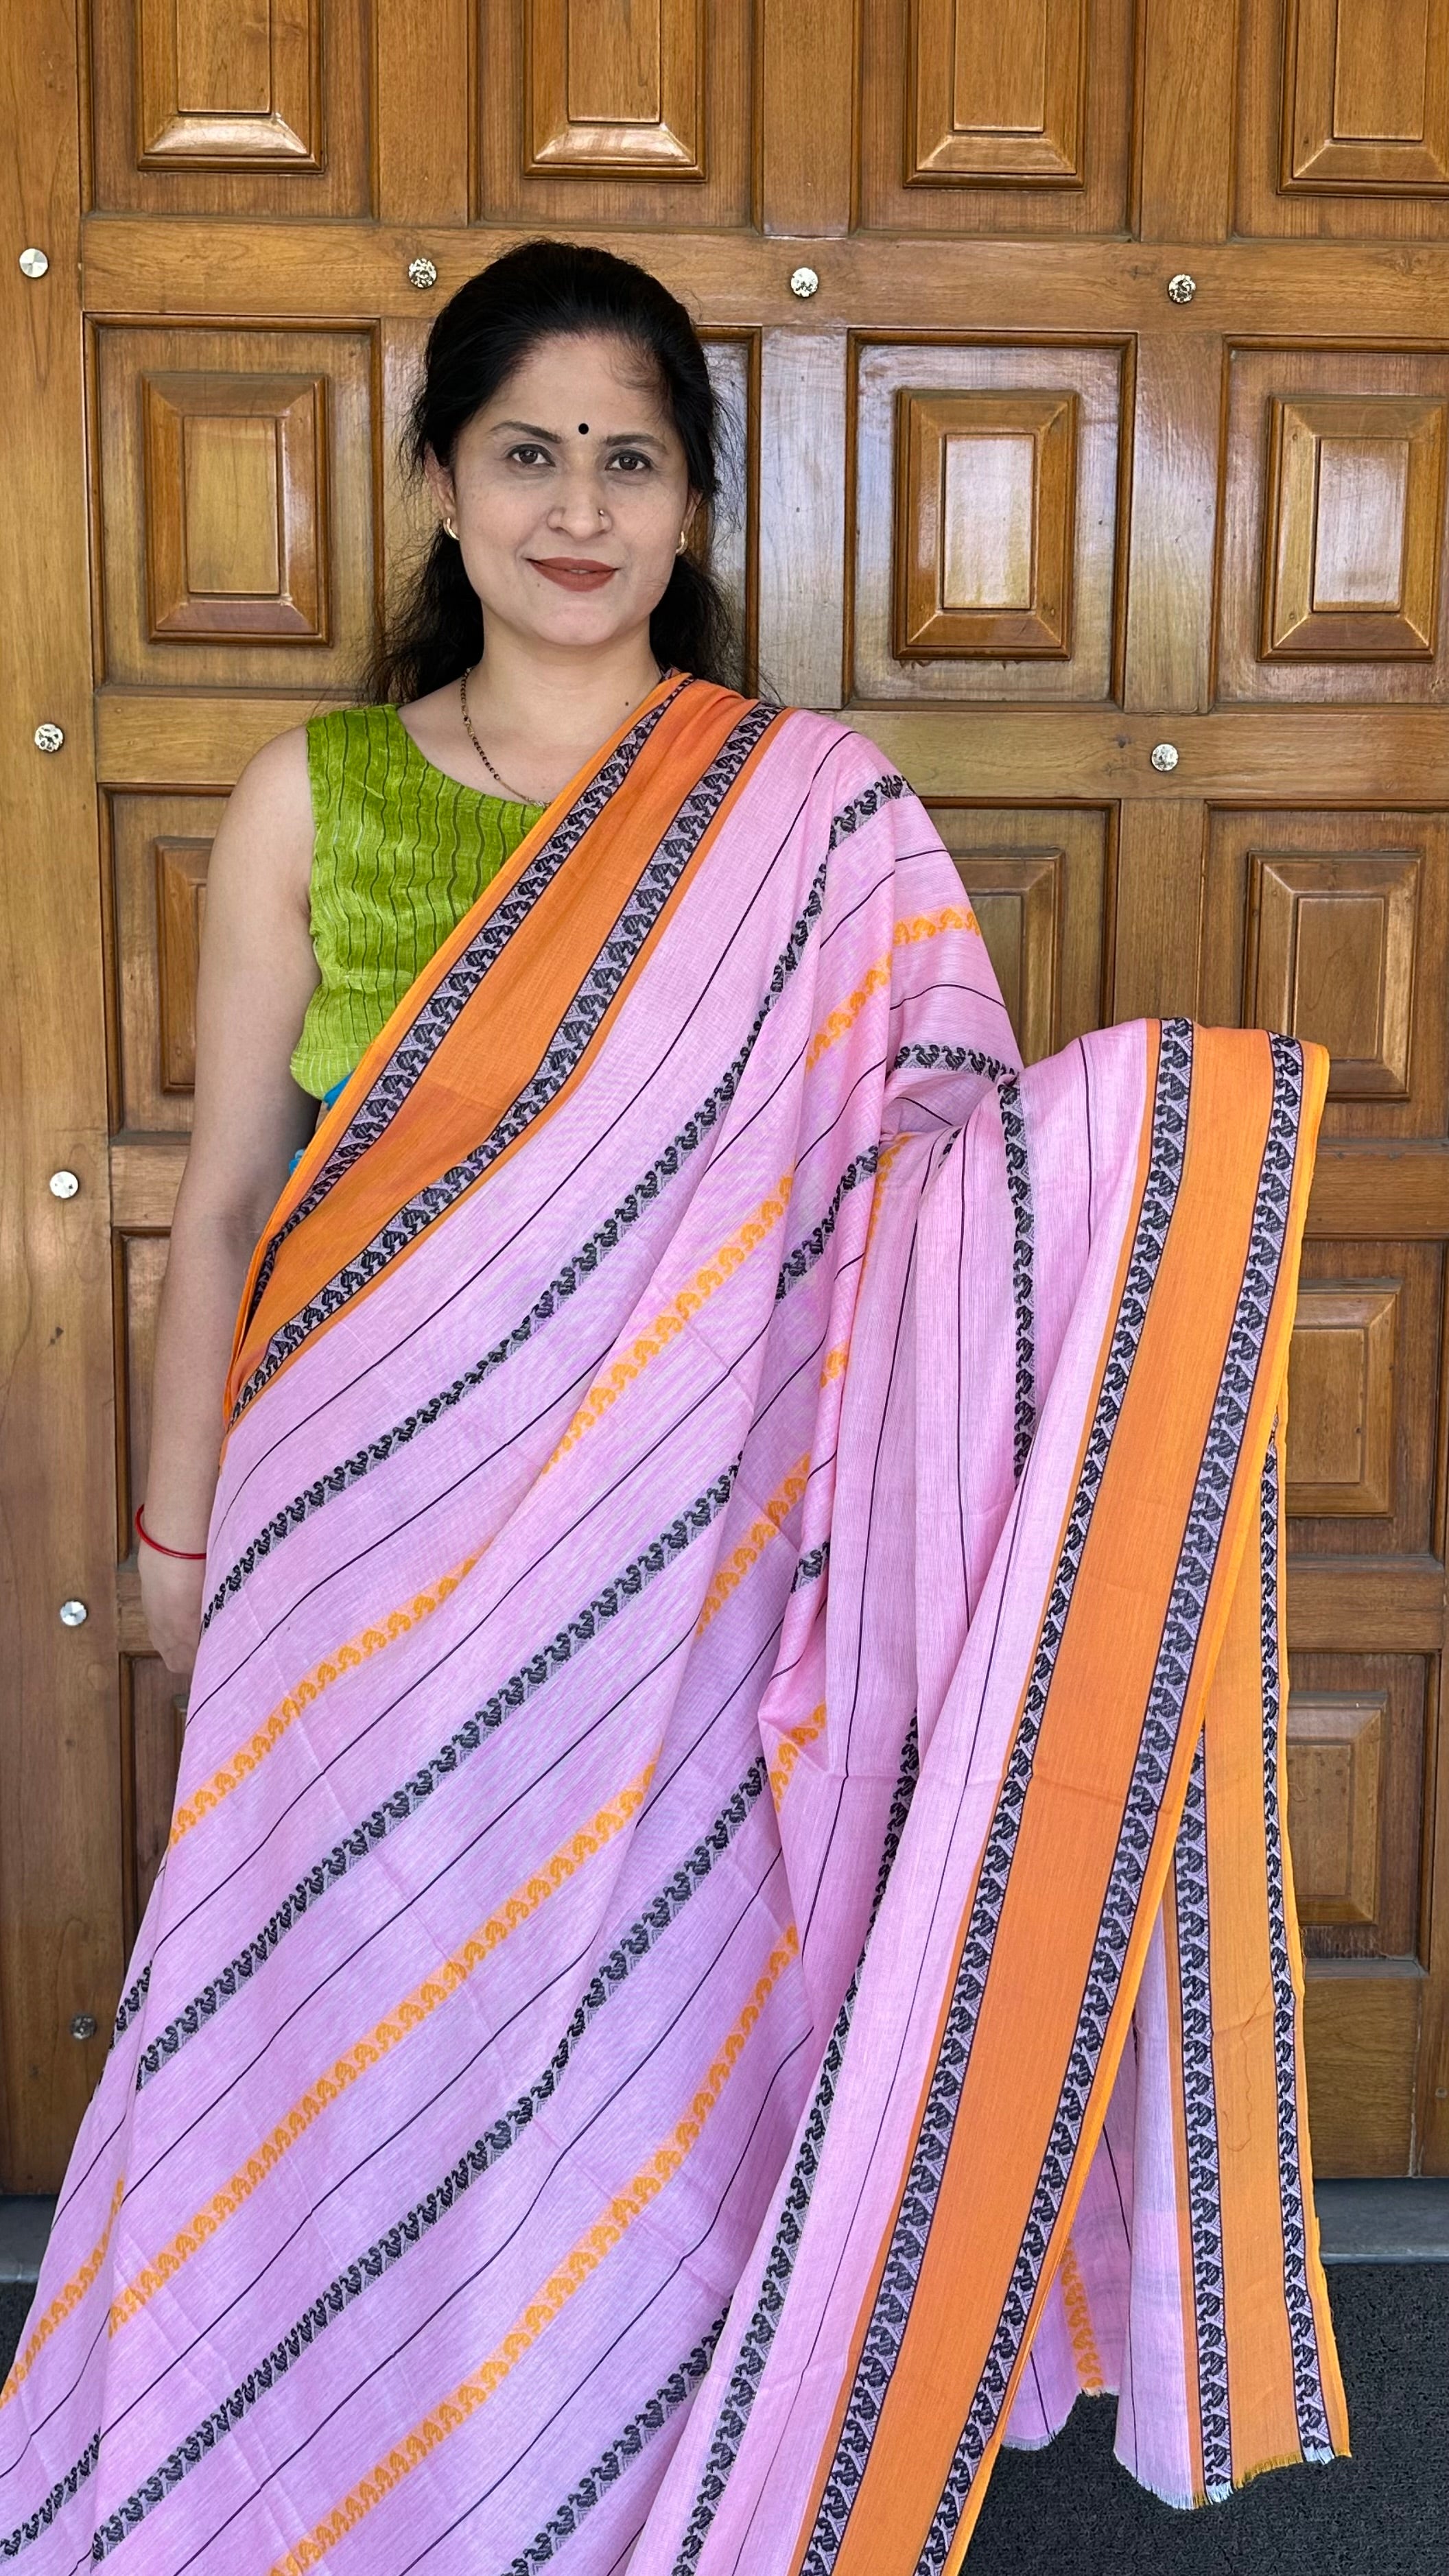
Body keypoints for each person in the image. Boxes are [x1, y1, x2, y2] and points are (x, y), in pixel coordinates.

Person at [1, 244, 1346, 2573]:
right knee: (348, 2001)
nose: (578, 507)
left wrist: (1155, 1162)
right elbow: (222, 1203)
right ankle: (295, 2472)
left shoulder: (811, 817)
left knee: (637, 2013)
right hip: (356, 1555)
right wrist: (175, 1538)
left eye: (630, 459)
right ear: (441, 484)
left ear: (697, 509)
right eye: (527, 453)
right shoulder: (317, 799)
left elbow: (927, 1189)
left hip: (683, 1558)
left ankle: (575, 2472)